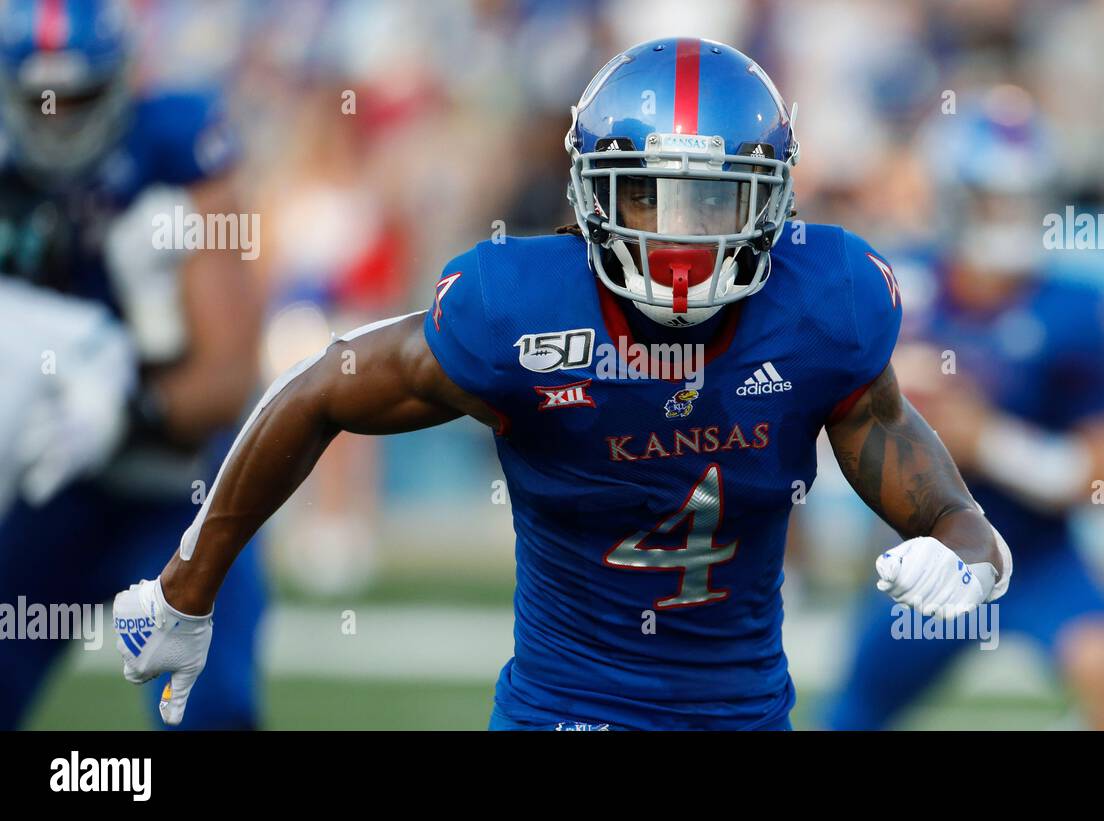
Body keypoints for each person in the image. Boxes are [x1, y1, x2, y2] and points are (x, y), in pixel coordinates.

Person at [113, 37, 1011, 731]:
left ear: (770, 202)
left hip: (746, 714)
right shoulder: (522, 314)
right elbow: (320, 389)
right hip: (567, 708)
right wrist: (188, 586)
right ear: (591, 193)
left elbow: (927, 486)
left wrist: (973, 549)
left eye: (712, 200)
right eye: (648, 195)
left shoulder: (826, 305)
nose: (679, 237)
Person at [828, 86, 1104, 730]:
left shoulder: (1075, 307)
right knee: (852, 713)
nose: (1008, 216)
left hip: (1037, 554)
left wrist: (990, 442)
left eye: (1023, 199)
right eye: (991, 198)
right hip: (931, 552)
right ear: (955, 197)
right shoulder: (900, 287)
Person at [0, 0, 265, 729]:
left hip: (173, 488)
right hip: (50, 488)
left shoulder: (174, 146)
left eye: (77, 96)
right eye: (37, 98)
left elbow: (227, 378)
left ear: (120, 80)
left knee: (211, 711)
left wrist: (128, 405)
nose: (56, 117)